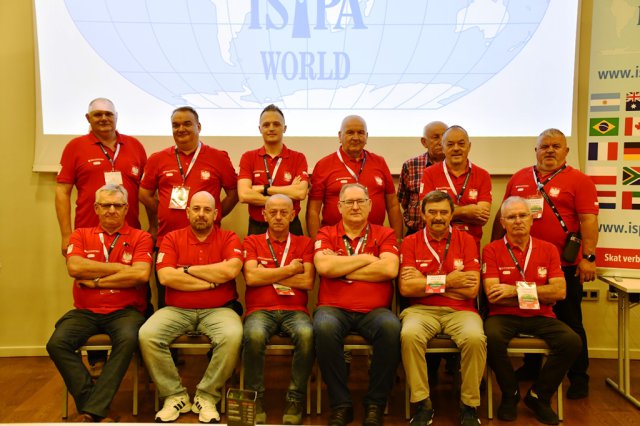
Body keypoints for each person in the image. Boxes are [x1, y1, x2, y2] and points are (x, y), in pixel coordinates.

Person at [491, 128, 598, 399]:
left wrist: (588, 258)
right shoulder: (520, 177)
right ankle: (531, 367)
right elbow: (502, 215)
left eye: (556, 146)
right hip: (521, 262)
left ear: (566, 151)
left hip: (563, 264)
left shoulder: (580, 180)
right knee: (530, 312)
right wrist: (493, 248)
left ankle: (579, 377)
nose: (550, 150)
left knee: (570, 321)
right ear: (536, 151)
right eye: (544, 146)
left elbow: (588, 220)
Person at [47, 184, 153, 422]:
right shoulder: (80, 235)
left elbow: (140, 275)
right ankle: (94, 404)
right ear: (96, 208)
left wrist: (95, 281)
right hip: (85, 312)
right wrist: (120, 268)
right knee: (57, 343)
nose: (111, 210)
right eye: (106, 205)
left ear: (126, 208)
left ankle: (92, 409)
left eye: (117, 205)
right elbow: (75, 267)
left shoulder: (141, 237)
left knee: (128, 339)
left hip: (125, 312)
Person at [138, 191, 243, 423]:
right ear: (187, 212)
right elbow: (166, 277)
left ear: (216, 214)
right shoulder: (171, 238)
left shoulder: (229, 237)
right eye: (196, 209)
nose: (201, 214)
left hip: (219, 309)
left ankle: (207, 396)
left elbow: (230, 270)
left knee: (233, 335)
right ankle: (175, 395)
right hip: (176, 309)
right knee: (147, 335)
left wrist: (185, 269)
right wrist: (211, 283)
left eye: (207, 210)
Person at [483, 196, 581, 425]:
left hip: (541, 315)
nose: (518, 221)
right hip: (503, 316)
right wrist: (539, 293)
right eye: (511, 217)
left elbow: (560, 292)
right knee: (490, 337)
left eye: (522, 215)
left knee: (571, 341)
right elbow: (493, 295)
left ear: (531, 219)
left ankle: (539, 396)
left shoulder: (548, 249)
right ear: (502, 222)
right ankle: (510, 394)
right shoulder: (491, 250)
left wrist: (513, 290)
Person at [313, 183, 401, 426]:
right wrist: (365, 258)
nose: (355, 207)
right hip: (333, 308)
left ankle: (375, 403)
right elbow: (324, 267)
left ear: (370, 205)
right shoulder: (326, 233)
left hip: (375, 311)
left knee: (391, 327)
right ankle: (341, 404)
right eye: (349, 202)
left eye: (360, 201)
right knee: (324, 327)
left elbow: (389, 269)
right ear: (339, 207)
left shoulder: (385, 234)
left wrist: (342, 268)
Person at [399, 190, 485, 426]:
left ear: (451, 214)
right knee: (409, 335)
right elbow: (406, 288)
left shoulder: (467, 241)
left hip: (461, 311)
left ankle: (469, 405)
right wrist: (450, 281)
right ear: (422, 214)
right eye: (432, 212)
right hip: (420, 310)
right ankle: (422, 403)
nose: (438, 217)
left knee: (475, 338)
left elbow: (471, 290)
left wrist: (425, 282)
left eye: (444, 212)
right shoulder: (410, 242)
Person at [139, 106, 238, 308]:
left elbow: (233, 193)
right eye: (175, 125)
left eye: (187, 124)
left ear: (198, 127)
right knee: (168, 301)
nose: (181, 129)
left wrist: (216, 215)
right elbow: (144, 194)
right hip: (168, 240)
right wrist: (161, 211)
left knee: (210, 297)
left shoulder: (218, 157)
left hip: (207, 242)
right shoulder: (157, 158)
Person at [242, 194, 315, 424]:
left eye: (284, 212)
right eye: (273, 212)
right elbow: (251, 278)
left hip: (295, 310)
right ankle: (255, 398)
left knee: (307, 334)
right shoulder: (251, 241)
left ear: (293, 215)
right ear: (264, 215)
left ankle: (295, 399)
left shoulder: (305, 243)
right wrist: (291, 269)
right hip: (259, 310)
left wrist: (267, 274)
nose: (278, 217)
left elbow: (307, 282)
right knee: (253, 335)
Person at [55, 98, 149, 255]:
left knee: (130, 271)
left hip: (129, 232)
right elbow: (62, 192)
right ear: (88, 118)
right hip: (88, 232)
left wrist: (154, 225)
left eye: (108, 114)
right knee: (87, 271)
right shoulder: (75, 147)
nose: (104, 118)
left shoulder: (135, 145)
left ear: (116, 116)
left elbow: (147, 192)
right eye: (98, 114)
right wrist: (66, 235)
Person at [307, 115, 403, 241]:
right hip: (334, 241)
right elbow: (313, 210)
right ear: (339, 136)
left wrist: (398, 239)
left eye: (361, 133)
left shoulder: (379, 162)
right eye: (350, 132)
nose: (356, 137)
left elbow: (393, 205)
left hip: (375, 241)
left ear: (366, 137)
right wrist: (317, 243)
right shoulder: (323, 165)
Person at [238, 104, 309, 235]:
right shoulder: (248, 157)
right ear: (260, 129)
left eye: (276, 124)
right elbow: (244, 195)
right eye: (266, 125)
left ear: (284, 128)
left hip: (291, 227)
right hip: (258, 227)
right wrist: (284, 200)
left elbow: (300, 193)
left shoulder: (298, 158)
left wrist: (263, 189)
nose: (271, 128)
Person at [419, 125, 492, 249]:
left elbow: (482, 217)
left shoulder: (482, 175)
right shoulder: (429, 173)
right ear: (443, 147)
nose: (456, 148)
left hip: (471, 244)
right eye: (450, 144)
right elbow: (425, 213)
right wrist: (467, 211)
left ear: (469, 146)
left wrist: (442, 211)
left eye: (461, 144)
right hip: (437, 243)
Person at [397, 121, 447, 236]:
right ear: (424, 142)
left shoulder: (456, 167)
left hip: (447, 233)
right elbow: (404, 202)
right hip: (415, 232)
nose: (441, 142)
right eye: (436, 137)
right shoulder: (410, 165)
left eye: (444, 137)